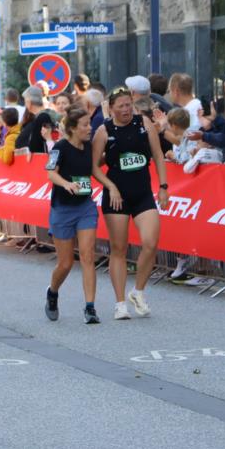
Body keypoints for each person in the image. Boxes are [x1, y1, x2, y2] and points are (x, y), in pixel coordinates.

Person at [91, 87, 169, 320]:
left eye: (129, 105)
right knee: (119, 249)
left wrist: (163, 187)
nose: (126, 110)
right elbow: (94, 166)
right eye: (121, 106)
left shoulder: (143, 123)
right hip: (117, 196)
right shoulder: (104, 131)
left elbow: (157, 156)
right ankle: (120, 302)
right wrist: (110, 186)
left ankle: (138, 291)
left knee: (151, 242)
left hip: (143, 192)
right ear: (111, 108)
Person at [45, 105, 100, 324]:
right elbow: (50, 173)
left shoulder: (89, 147)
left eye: (90, 124)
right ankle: (52, 292)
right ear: (74, 128)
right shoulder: (60, 147)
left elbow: (97, 164)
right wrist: (66, 184)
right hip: (63, 208)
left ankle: (90, 307)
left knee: (87, 256)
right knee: (66, 263)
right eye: (85, 125)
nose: (90, 129)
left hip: (85, 206)